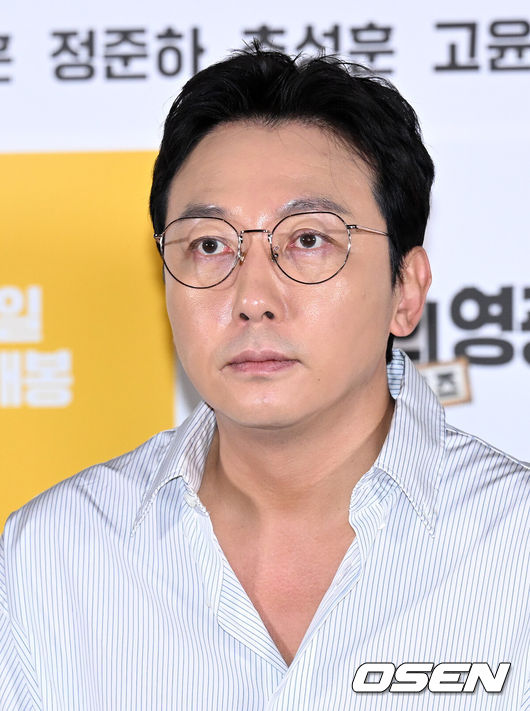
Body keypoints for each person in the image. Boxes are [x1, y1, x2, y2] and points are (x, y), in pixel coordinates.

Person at [1, 45, 528, 710]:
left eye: (308, 240)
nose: (253, 297)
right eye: (210, 245)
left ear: (406, 288)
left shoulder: (515, 543)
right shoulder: (51, 555)